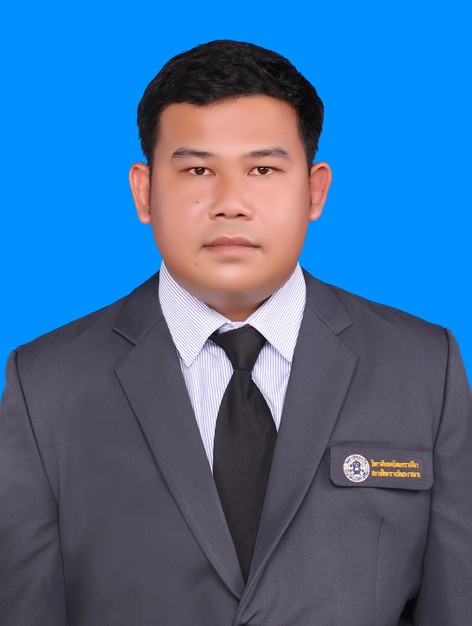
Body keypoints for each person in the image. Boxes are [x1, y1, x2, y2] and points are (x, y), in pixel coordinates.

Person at [0, 40, 471, 626]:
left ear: (315, 190)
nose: (230, 204)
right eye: (198, 170)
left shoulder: (423, 370)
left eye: (263, 169)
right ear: (145, 192)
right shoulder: (45, 385)